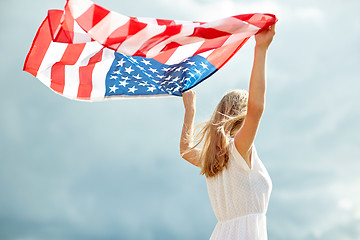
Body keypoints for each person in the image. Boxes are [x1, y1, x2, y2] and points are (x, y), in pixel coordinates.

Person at [179, 24, 276, 240]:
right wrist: (261, 49)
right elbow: (257, 108)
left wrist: (190, 110)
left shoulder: (214, 160)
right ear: (241, 116)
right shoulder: (239, 149)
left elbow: (186, 150)